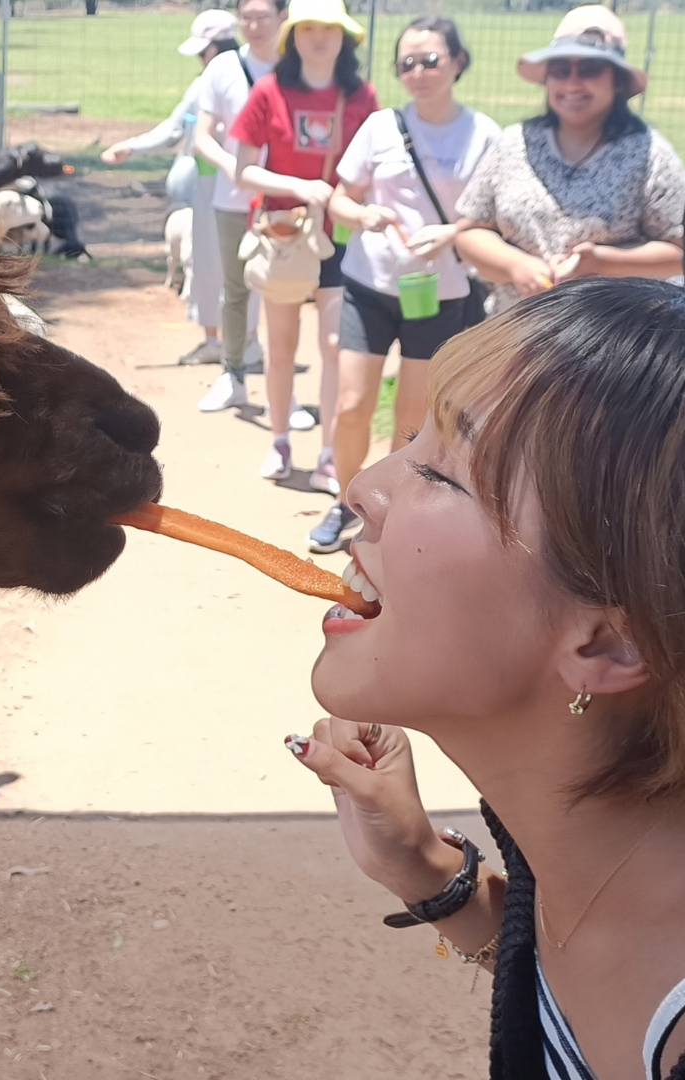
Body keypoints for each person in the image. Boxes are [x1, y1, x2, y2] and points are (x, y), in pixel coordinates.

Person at [285, 277, 685, 1080]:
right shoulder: (574, 836)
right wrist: (426, 870)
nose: (363, 487)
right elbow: (566, 973)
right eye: (411, 437)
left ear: (609, 643)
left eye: (440, 474)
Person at [308, 17, 499, 553]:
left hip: (440, 293)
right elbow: (340, 196)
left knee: (412, 418)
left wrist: (453, 232)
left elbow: (494, 219)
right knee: (350, 405)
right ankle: (346, 501)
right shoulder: (380, 126)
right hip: (370, 284)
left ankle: (391, 515)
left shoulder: (485, 134)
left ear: (458, 62)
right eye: (406, 63)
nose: (418, 72)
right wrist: (360, 216)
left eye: (430, 60)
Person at [229, 0, 378, 484]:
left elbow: (375, 168)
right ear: (292, 35)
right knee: (281, 346)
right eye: (308, 27)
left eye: (329, 28)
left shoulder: (362, 97)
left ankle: (330, 453)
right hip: (284, 237)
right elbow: (243, 171)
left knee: (335, 346)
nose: (319, 37)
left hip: (339, 239)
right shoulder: (269, 90)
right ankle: (280, 442)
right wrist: (298, 187)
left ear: (345, 37)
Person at [455, 5, 685, 313]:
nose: (573, 83)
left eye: (590, 69)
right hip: (516, 329)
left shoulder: (648, 153)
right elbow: (470, 230)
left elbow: (677, 250)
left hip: (607, 338)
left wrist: (605, 263)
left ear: (617, 80)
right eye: (561, 69)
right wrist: (516, 265)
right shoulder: (514, 143)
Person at [101, 11, 240, 367]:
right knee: (238, 265)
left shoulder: (209, 80)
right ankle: (245, 344)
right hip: (243, 187)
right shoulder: (253, 72)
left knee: (207, 263)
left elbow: (174, 130)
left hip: (206, 186)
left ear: (210, 48)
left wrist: (132, 146)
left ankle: (215, 340)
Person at [193, 0, 281, 413]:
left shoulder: (298, 66)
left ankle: (284, 391)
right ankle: (233, 374)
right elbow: (202, 137)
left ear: (283, 17)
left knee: (287, 290)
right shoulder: (222, 68)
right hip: (232, 199)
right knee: (236, 287)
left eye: (263, 16)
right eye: (246, 17)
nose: (254, 25)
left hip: (286, 201)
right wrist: (236, 168)